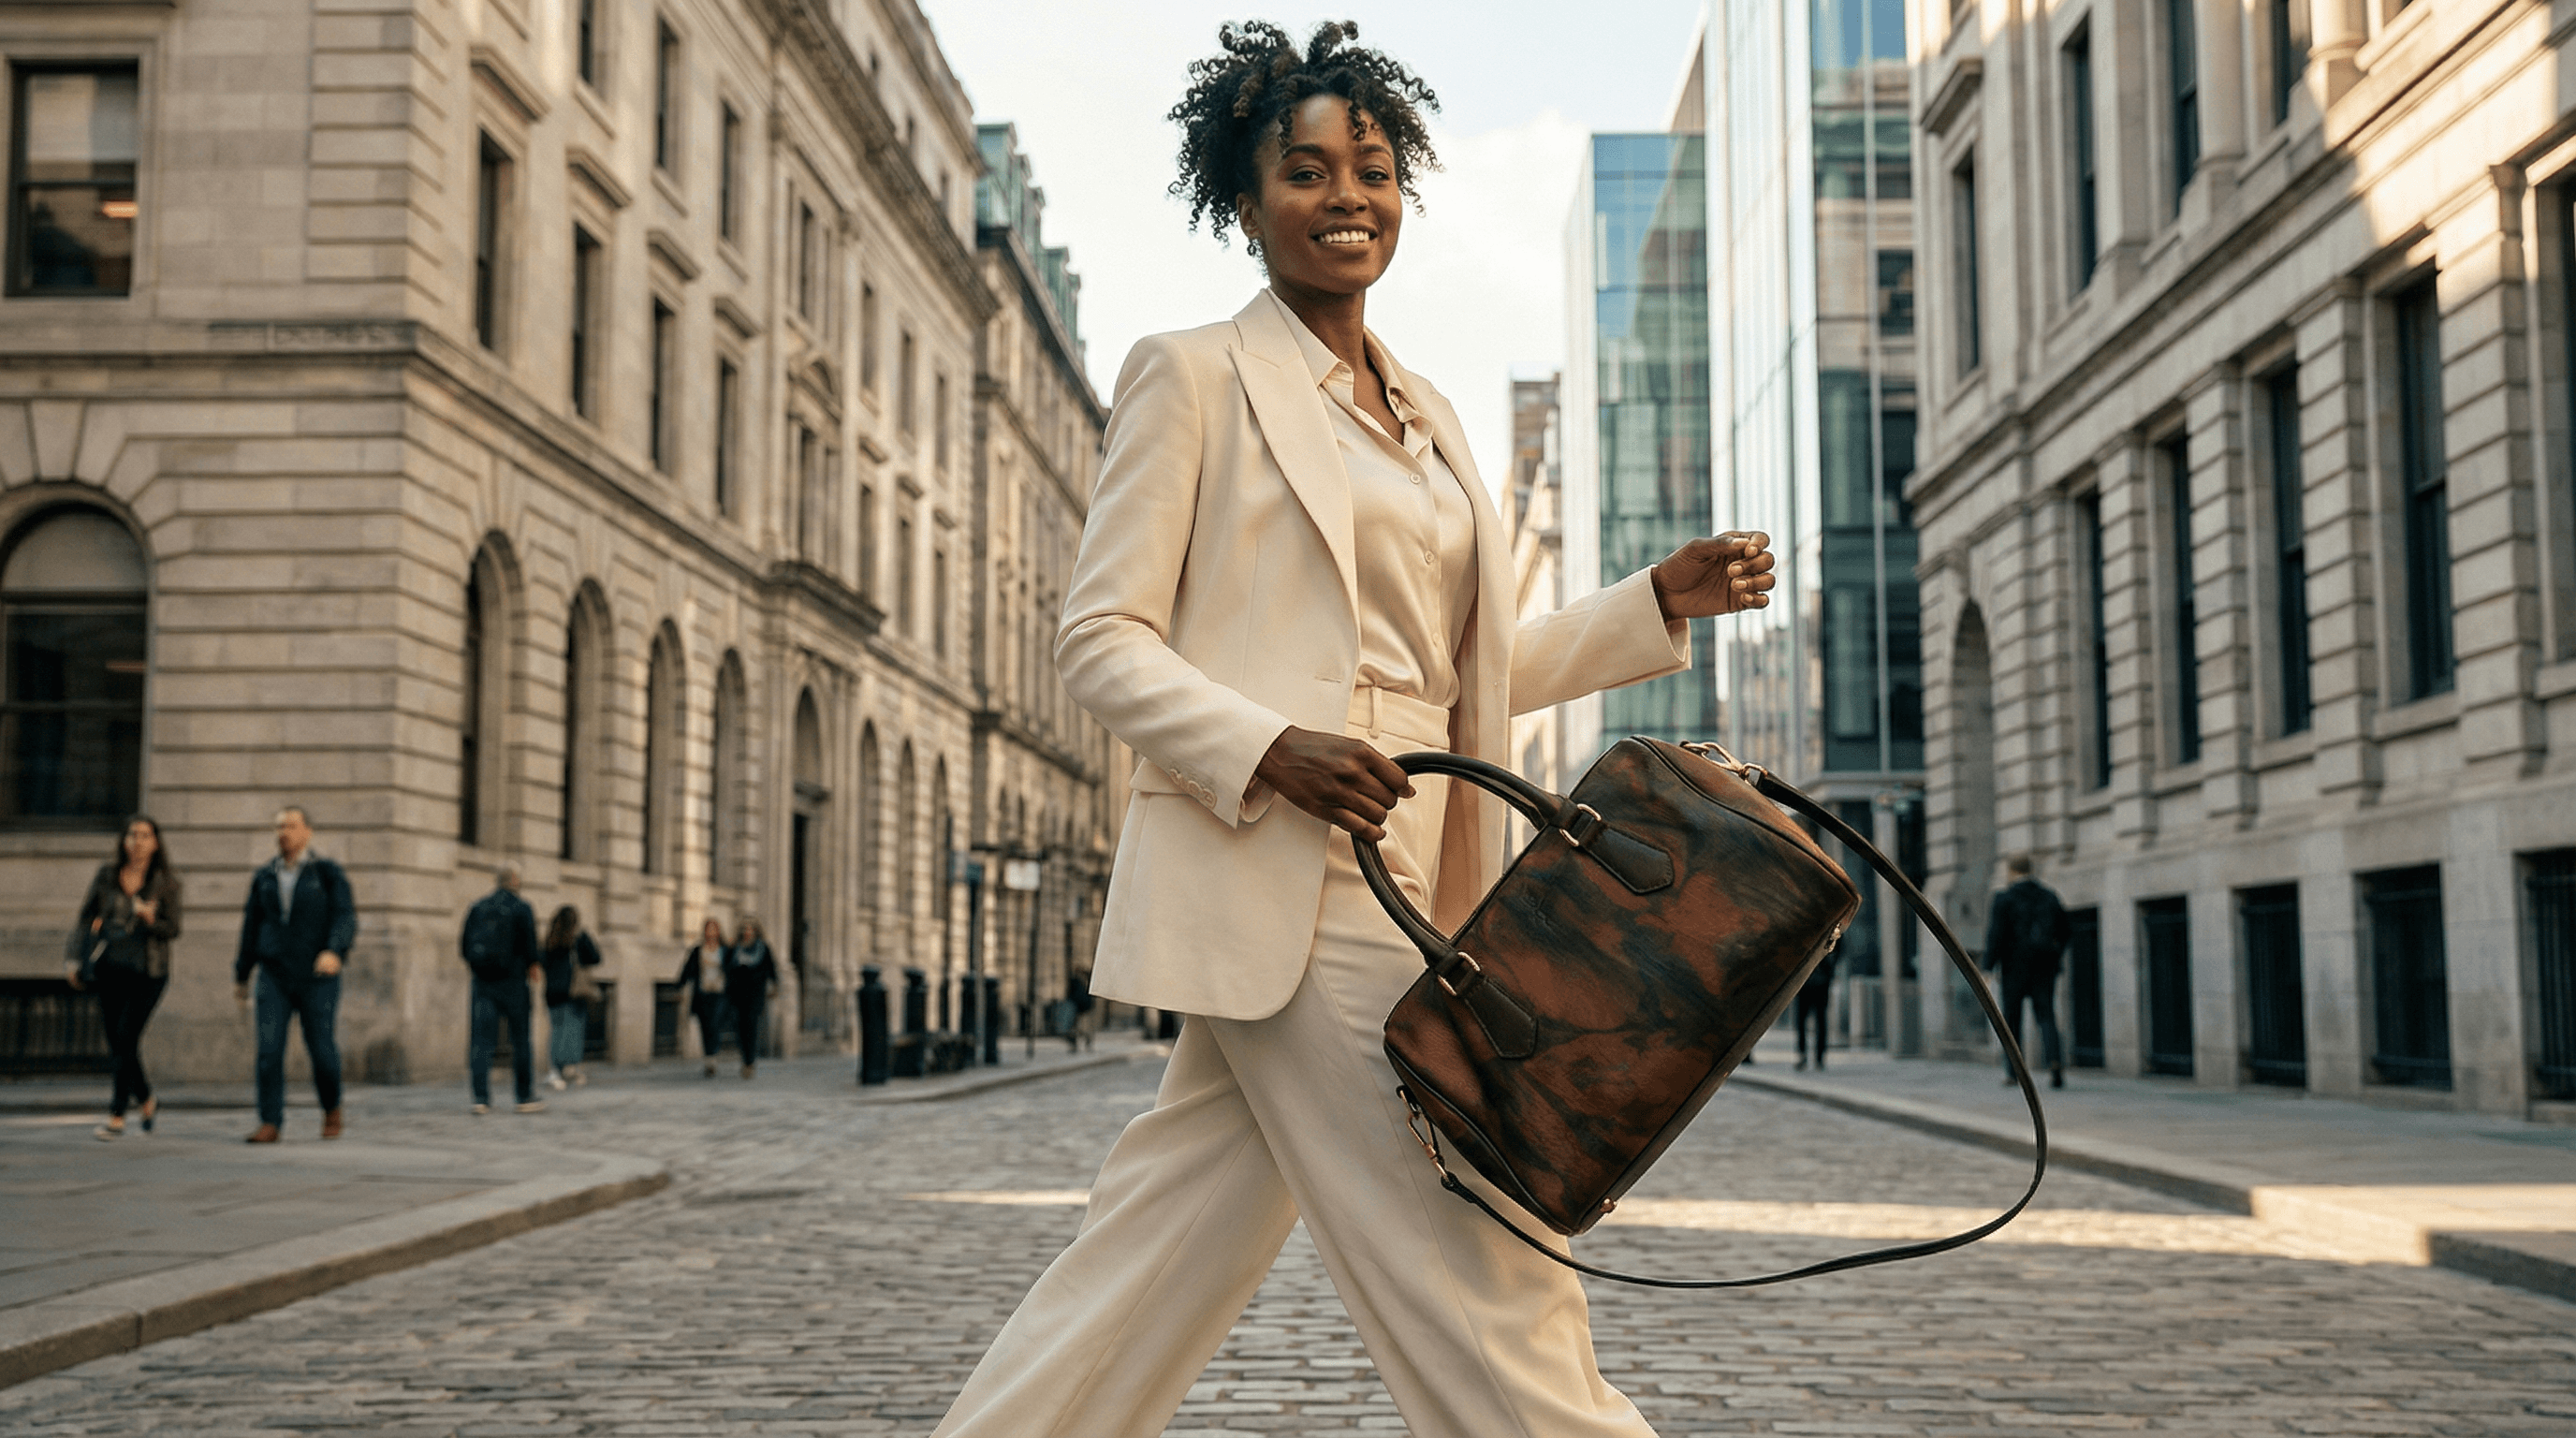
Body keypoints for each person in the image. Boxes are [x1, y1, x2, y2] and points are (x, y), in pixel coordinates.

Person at [929, 23, 1777, 1437]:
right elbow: (1099, 638)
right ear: (1246, 197)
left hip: (1418, 859)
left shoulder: (1431, 414)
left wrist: (1648, 603)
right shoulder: (1190, 374)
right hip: (1290, 859)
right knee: (1486, 1246)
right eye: (1307, 170)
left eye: (1372, 170)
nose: (1346, 197)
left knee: (1146, 1271)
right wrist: (1267, 747)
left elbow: (1470, 674)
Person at [232, 806, 357, 1143]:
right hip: (274, 975)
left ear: (307, 832)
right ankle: (270, 1121)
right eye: (278, 827)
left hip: (317, 976)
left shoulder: (327, 873)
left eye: (290, 826)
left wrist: (335, 950)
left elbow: (345, 916)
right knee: (269, 1050)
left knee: (322, 1050)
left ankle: (331, 1108)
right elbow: (251, 926)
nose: (283, 833)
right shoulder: (265, 876)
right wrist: (242, 974)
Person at [70, 814, 183, 1140]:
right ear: (123, 841)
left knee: (125, 1036)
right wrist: (74, 959)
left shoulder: (166, 883)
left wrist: (151, 920)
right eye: (132, 835)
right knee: (118, 1042)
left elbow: (173, 929)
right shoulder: (106, 876)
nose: (138, 841)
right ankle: (146, 1098)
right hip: (110, 968)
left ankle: (117, 1114)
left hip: (149, 972)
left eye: (145, 835)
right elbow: (85, 918)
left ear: (155, 843)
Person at [460, 862, 544, 1115]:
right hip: (514, 983)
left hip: (483, 983)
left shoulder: (478, 907)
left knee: (481, 1042)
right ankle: (524, 1096)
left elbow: (464, 946)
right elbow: (531, 945)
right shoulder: (522, 908)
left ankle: (481, 1098)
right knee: (520, 1040)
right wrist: (533, 965)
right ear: (515, 880)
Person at [1983, 852, 2070, 1090]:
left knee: (2012, 1021)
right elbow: (2065, 930)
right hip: (2044, 966)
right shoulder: (2048, 896)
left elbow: (1996, 935)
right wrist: (2055, 954)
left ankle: (2013, 1072)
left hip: (2014, 968)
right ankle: (2054, 1063)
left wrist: (1988, 967)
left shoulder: (2005, 898)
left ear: (2011, 871)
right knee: (2046, 1016)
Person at [540, 905, 602, 1089]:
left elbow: (542, 961)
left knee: (557, 1030)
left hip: (553, 992)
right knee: (574, 1031)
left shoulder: (551, 938)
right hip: (574, 992)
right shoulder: (579, 938)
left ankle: (555, 1070)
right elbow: (595, 957)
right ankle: (570, 1067)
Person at [675, 918, 730, 1078]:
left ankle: (712, 1056)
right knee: (705, 1027)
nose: (711, 932)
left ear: (718, 931)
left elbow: (733, 971)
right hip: (703, 994)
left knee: (714, 1024)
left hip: (720, 994)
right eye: (708, 929)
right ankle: (709, 1059)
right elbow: (688, 970)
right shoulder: (698, 950)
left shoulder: (725, 950)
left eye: (714, 929)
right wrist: (679, 987)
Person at [723, 917, 777, 1078]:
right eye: (745, 929)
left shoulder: (763, 948)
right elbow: (726, 966)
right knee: (738, 1027)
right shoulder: (735, 947)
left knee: (751, 1026)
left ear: (756, 931)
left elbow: (771, 968)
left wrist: (774, 985)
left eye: (750, 929)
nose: (747, 932)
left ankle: (749, 1062)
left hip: (755, 994)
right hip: (737, 993)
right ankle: (745, 1056)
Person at [1793, 950, 1835, 1072]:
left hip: (1820, 981)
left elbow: (1839, 949)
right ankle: (1803, 1054)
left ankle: (1819, 1056)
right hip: (1804, 982)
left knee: (1820, 1020)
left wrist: (1829, 972)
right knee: (1802, 1020)